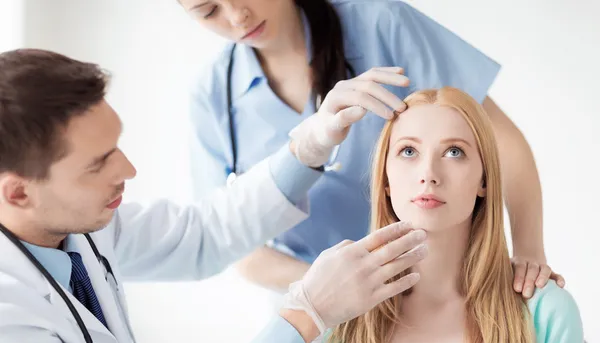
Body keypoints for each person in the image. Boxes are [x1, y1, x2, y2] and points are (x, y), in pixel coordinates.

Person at [0, 49, 429, 343]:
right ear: (17, 192)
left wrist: (308, 147)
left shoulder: (79, 227)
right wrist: (306, 317)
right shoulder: (8, 324)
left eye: (116, 146)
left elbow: (202, 235)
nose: (129, 170)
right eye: (98, 165)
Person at [180, 0, 563, 298]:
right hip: (320, 312)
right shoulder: (213, 96)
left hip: (437, 288)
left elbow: (499, 140)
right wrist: (339, 288)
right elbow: (231, 243)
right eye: (208, 11)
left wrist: (529, 248)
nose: (237, 16)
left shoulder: (380, 24)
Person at [287, 87, 585, 343]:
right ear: (385, 180)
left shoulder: (546, 314)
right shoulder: (327, 313)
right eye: (408, 151)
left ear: (484, 179)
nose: (428, 174)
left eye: (454, 152)